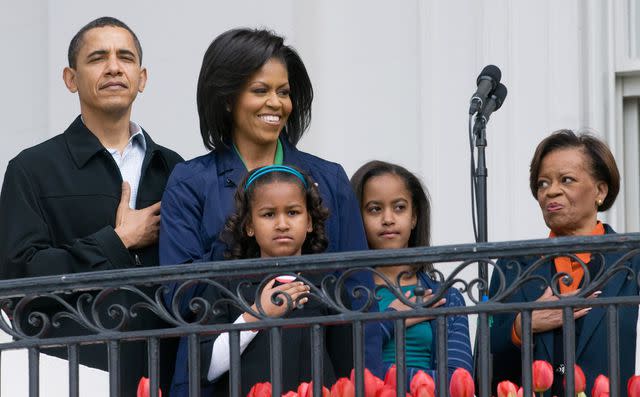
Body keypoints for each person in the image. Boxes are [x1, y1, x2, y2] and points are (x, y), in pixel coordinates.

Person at [159, 27, 382, 394]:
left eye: (283, 92)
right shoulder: (190, 180)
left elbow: (358, 295)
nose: (276, 103)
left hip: (318, 375)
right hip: (218, 380)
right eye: (260, 90)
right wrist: (252, 266)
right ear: (228, 99)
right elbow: (180, 297)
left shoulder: (328, 179)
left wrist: (369, 385)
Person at [0, 17, 182, 395]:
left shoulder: (174, 169)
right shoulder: (32, 170)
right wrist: (117, 241)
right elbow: (17, 283)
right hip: (71, 375)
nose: (114, 67)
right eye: (98, 57)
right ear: (71, 79)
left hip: (166, 375)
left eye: (125, 58)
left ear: (142, 77)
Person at [488, 130, 640, 396]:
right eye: (543, 183)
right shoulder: (513, 265)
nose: (551, 192)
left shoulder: (631, 259)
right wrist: (521, 327)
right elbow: (484, 370)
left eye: (566, 180)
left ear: (600, 190)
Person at [196, 165, 350, 396]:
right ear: (249, 226)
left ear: (309, 222)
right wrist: (256, 315)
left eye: (293, 212)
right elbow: (208, 369)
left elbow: (346, 371)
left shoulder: (328, 286)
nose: (282, 224)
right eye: (268, 214)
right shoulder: (226, 286)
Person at [351, 160, 473, 383]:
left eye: (399, 207)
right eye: (375, 209)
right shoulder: (346, 295)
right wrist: (391, 320)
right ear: (358, 218)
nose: (388, 219)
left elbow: (459, 381)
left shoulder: (446, 298)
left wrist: (382, 376)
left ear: (414, 217)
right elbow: (345, 367)